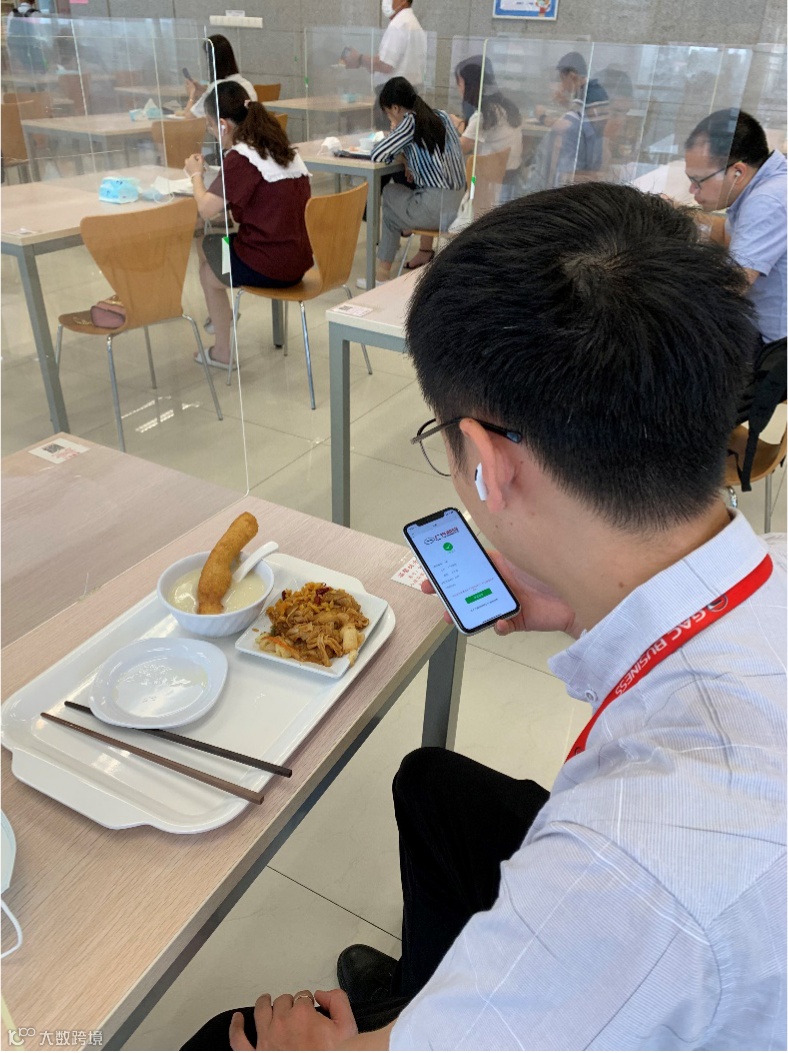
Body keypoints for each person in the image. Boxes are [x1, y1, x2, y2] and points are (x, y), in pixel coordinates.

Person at [183, 183, 786, 1051]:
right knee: (433, 787)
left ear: (489, 463)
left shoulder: (631, 866)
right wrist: (576, 603)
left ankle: (425, 1013)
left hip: (662, 939)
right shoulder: (766, 562)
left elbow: (632, 897)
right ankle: (428, 989)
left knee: (218, 1038)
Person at [183, 82, 312, 369]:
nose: (210, 131)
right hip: (298, 260)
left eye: (209, 125)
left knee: (207, 269)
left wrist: (195, 175)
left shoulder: (241, 158)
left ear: (223, 125)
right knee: (211, 247)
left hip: (268, 265)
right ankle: (222, 315)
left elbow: (206, 209)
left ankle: (222, 349)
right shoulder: (280, 148)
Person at [684, 108, 787, 342]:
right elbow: (726, 234)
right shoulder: (770, 183)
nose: (692, 190)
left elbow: (732, 285)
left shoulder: (767, 200)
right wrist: (677, 213)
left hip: (776, 349)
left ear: (737, 172)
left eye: (697, 180)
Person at [368, 76, 464, 280]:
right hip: (458, 207)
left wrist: (395, 133)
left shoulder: (409, 122)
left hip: (434, 208)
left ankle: (382, 274)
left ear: (395, 108)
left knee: (389, 193)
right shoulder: (442, 116)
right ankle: (383, 270)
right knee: (393, 211)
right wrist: (405, 158)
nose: (390, 118)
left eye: (388, 113)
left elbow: (377, 154)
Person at [526, 50, 609, 191]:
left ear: (572, 76)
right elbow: (583, 116)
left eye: (562, 79)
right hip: (592, 152)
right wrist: (565, 103)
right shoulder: (596, 90)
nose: (562, 85)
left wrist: (542, 117)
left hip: (580, 156)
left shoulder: (585, 93)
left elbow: (568, 126)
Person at [451, 56, 523, 180]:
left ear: (470, 85)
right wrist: (455, 121)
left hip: (491, 179)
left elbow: (460, 148)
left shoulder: (484, 114)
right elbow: (476, 133)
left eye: (459, 83)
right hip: (510, 173)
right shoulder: (500, 106)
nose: (458, 88)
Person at [342, 0, 427, 97]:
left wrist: (359, 59)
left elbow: (385, 65)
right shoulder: (412, 22)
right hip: (407, 92)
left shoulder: (399, 23)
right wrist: (370, 64)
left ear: (404, 1)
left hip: (394, 95)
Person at [184, 34, 256, 121]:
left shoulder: (215, 88)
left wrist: (192, 94)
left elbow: (189, 118)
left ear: (212, 61)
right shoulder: (247, 85)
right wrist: (205, 91)